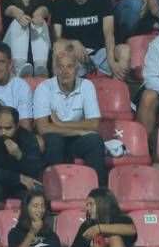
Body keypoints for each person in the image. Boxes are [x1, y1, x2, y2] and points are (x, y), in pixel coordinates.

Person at [33, 47, 108, 187]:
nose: (65, 71)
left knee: (95, 140)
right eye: (61, 67)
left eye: (69, 66)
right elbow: (43, 128)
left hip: (74, 139)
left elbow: (94, 124)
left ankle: (94, 191)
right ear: (55, 70)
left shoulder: (87, 86)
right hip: (54, 138)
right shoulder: (44, 88)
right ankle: (54, 189)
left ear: (77, 69)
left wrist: (60, 124)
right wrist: (78, 130)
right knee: (53, 140)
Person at [0, 103, 42, 217]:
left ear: (17, 125)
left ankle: (32, 226)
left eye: (8, 128)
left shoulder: (28, 138)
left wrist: (19, 156)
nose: (3, 133)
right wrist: (18, 178)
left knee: (38, 189)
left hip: (20, 187)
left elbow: (35, 171)